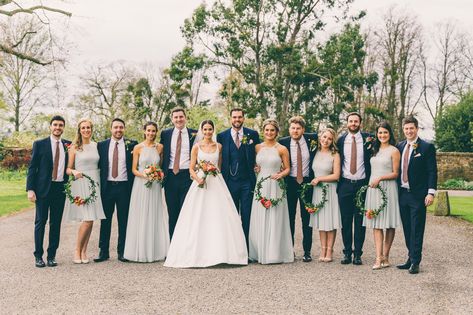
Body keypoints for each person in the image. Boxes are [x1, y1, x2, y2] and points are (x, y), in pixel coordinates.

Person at [164, 120, 248, 268]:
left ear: (213, 130)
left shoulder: (219, 147)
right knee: (198, 216)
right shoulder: (196, 147)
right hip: (200, 182)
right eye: (205, 129)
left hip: (216, 183)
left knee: (218, 216)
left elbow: (220, 166)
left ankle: (222, 253)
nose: (208, 132)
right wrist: (198, 179)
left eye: (210, 129)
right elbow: (191, 168)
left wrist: (213, 172)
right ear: (201, 131)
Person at [26, 115, 71, 268]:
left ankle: (51, 256)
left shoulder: (68, 145)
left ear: (63, 127)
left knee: (56, 223)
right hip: (43, 189)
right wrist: (30, 189)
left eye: (60, 125)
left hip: (60, 188)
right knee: (40, 222)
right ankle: (38, 256)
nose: (58, 128)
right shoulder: (40, 144)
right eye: (55, 125)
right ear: (50, 127)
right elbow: (32, 168)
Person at [396, 116, 437, 274]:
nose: (409, 131)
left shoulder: (426, 147)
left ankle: (416, 261)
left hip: (418, 195)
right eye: (406, 129)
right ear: (403, 130)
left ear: (416, 129)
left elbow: (432, 171)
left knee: (417, 228)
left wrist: (431, 193)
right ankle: (410, 257)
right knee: (407, 228)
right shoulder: (399, 147)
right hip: (403, 194)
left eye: (411, 128)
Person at [249, 119, 293, 264]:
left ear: (277, 132)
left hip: (275, 184)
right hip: (261, 184)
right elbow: (256, 165)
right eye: (267, 130)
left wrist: (281, 175)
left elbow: (287, 168)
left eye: (272, 130)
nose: (269, 133)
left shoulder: (282, 149)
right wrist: (256, 169)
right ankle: (258, 251)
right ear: (263, 131)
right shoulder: (257, 147)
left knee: (275, 216)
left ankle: (274, 253)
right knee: (260, 215)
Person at [123, 122, 169, 262]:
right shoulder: (138, 147)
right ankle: (140, 250)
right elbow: (134, 169)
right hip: (141, 184)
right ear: (144, 131)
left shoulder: (160, 147)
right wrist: (145, 175)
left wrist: (157, 174)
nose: (151, 133)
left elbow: (160, 166)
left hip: (154, 185)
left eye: (153, 131)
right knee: (141, 214)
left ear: (156, 132)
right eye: (148, 130)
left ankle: (154, 251)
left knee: (154, 214)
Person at [63, 119, 105, 264]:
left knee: (91, 219)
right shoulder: (74, 147)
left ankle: (84, 251)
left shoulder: (96, 145)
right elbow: (67, 169)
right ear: (79, 130)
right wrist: (74, 171)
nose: (86, 130)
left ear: (91, 129)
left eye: (88, 127)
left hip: (95, 183)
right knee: (87, 219)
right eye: (83, 128)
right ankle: (76, 250)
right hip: (81, 182)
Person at [95, 118, 137, 262]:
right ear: (110, 129)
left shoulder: (132, 145)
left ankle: (122, 251)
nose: (118, 130)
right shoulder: (101, 145)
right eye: (116, 127)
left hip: (124, 188)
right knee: (105, 220)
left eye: (121, 127)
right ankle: (103, 252)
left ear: (124, 129)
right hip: (107, 187)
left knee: (123, 221)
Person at [217, 108, 260, 248]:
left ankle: (247, 248)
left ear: (243, 118)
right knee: (232, 216)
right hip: (229, 182)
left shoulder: (252, 134)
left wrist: (258, 166)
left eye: (240, 117)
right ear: (230, 118)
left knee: (247, 216)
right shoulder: (221, 136)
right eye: (234, 117)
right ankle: (234, 248)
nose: (237, 120)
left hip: (247, 182)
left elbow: (259, 154)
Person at [362, 121, 401, 270]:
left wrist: (380, 178)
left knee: (389, 223)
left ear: (389, 134)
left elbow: (396, 173)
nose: (382, 135)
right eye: (380, 133)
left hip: (388, 187)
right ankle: (378, 257)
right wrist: (374, 180)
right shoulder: (374, 149)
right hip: (374, 189)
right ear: (376, 135)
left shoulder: (394, 151)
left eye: (385, 132)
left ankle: (386, 256)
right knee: (376, 223)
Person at [279, 116, 317, 262]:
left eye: (298, 128)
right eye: (293, 128)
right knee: (289, 217)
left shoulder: (312, 139)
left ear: (303, 130)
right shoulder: (283, 142)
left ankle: (307, 251)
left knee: (307, 218)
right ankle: (290, 250)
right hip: (290, 183)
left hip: (307, 183)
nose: (295, 131)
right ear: (289, 129)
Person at [337, 112, 372, 265]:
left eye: (356, 121)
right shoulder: (341, 140)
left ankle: (358, 253)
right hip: (345, 184)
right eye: (351, 121)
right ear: (347, 123)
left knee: (359, 220)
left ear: (360, 123)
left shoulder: (368, 139)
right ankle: (346, 253)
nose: (353, 123)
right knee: (345, 220)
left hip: (362, 184)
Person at [160, 108, 197, 239]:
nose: (178, 119)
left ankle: (185, 246)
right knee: (173, 213)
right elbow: (160, 154)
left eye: (181, 117)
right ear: (172, 119)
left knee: (186, 212)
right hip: (170, 177)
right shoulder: (165, 134)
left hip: (188, 177)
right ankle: (172, 246)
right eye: (175, 117)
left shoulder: (195, 133)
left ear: (185, 117)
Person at [309, 128, 341, 263]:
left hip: (330, 189)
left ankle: (329, 249)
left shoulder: (335, 155)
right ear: (320, 137)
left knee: (330, 221)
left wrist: (320, 179)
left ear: (332, 140)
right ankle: (322, 249)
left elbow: (336, 175)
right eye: (324, 137)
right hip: (317, 191)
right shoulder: (314, 152)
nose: (325, 140)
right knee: (322, 221)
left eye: (329, 138)